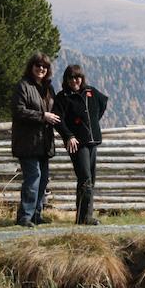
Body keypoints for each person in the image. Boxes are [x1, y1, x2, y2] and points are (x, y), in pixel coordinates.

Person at [53, 65, 108, 225]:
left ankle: (83, 217)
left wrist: (93, 122)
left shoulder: (90, 92)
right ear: (66, 80)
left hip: (92, 142)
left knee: (90, 180)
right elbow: (58, 120)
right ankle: (85, 218)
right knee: (85, 179)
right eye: (71, 78)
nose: (75, 81)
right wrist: (69, 135)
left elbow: (103, 103)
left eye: (77, 77)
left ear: (82, 78)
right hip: (78, 144)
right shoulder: (63, 97)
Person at [11, 52, 60, 227]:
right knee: (33, 178)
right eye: (38, 65)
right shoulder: (23, 86)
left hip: (44, 143)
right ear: (31, 67)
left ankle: (36, 215)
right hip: (27, 142)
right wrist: (42, 116)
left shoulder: (49, 88)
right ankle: (25, 217)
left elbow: (56, 111)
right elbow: (18, 111)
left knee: (43, 179)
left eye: (44, 66)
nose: (41, 69)